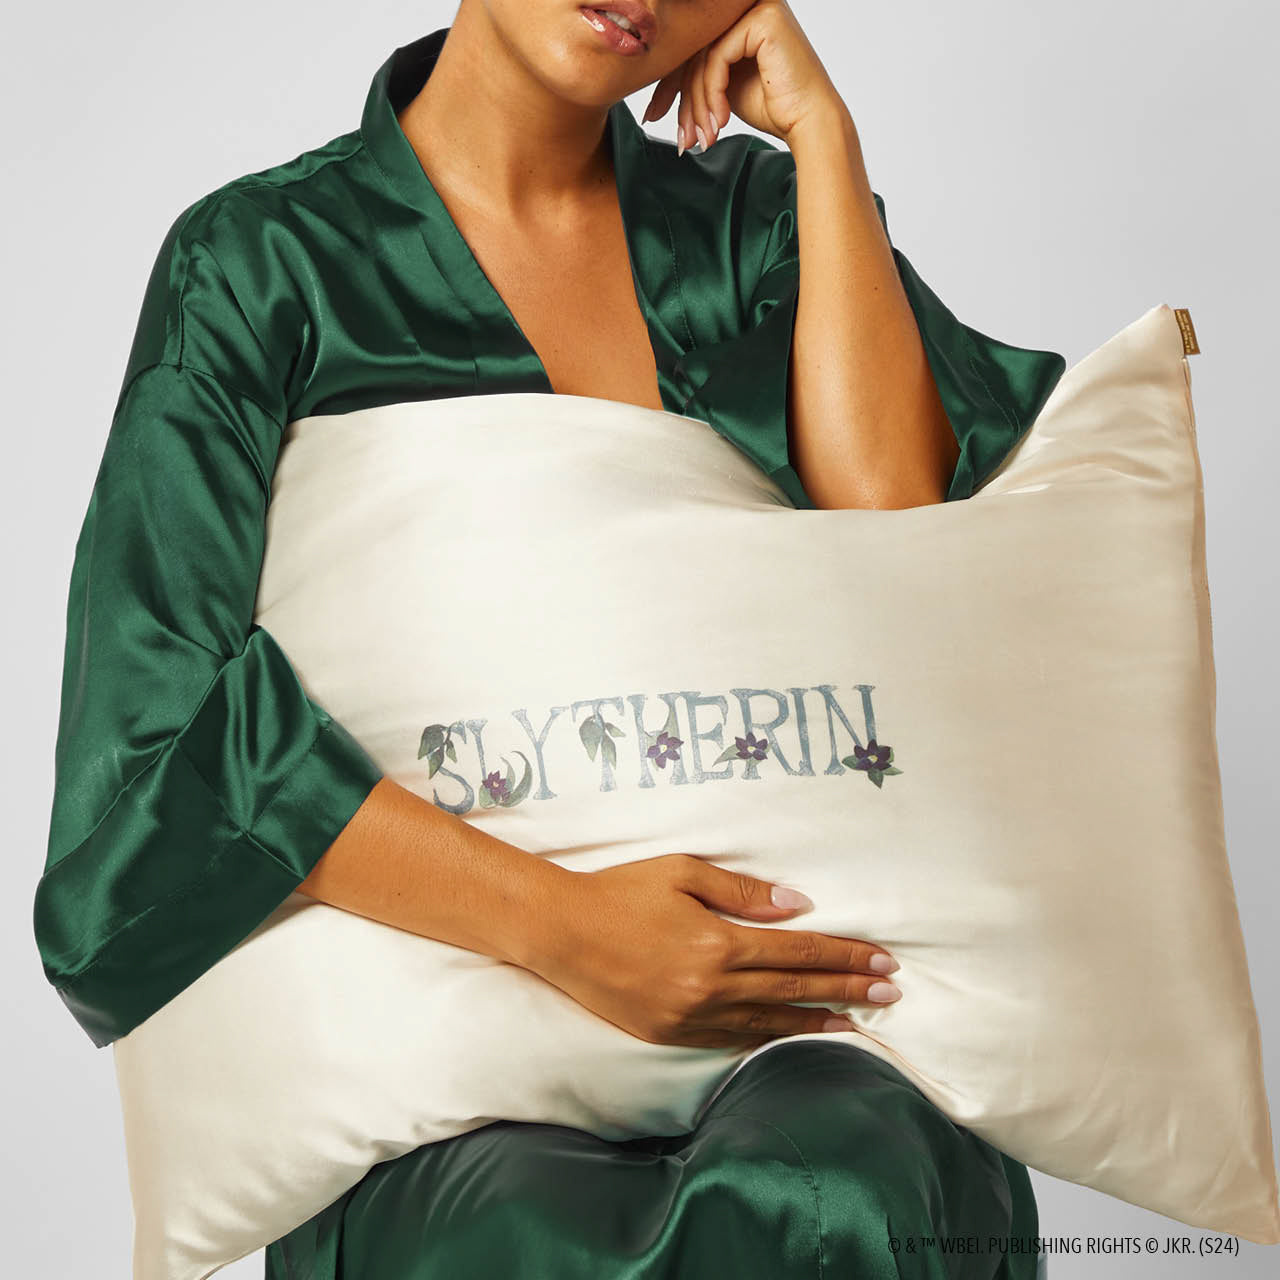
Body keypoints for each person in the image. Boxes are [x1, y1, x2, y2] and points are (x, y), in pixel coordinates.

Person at [34, 2, 1064, 1275]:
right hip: (434, 1073)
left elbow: (911, 559)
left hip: (793, 1024)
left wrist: (823, 141)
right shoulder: (262, 263)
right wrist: (569, 925)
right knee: (523, 1239)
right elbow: (154, 729)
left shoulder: (749, 227)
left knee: (864, 1188)